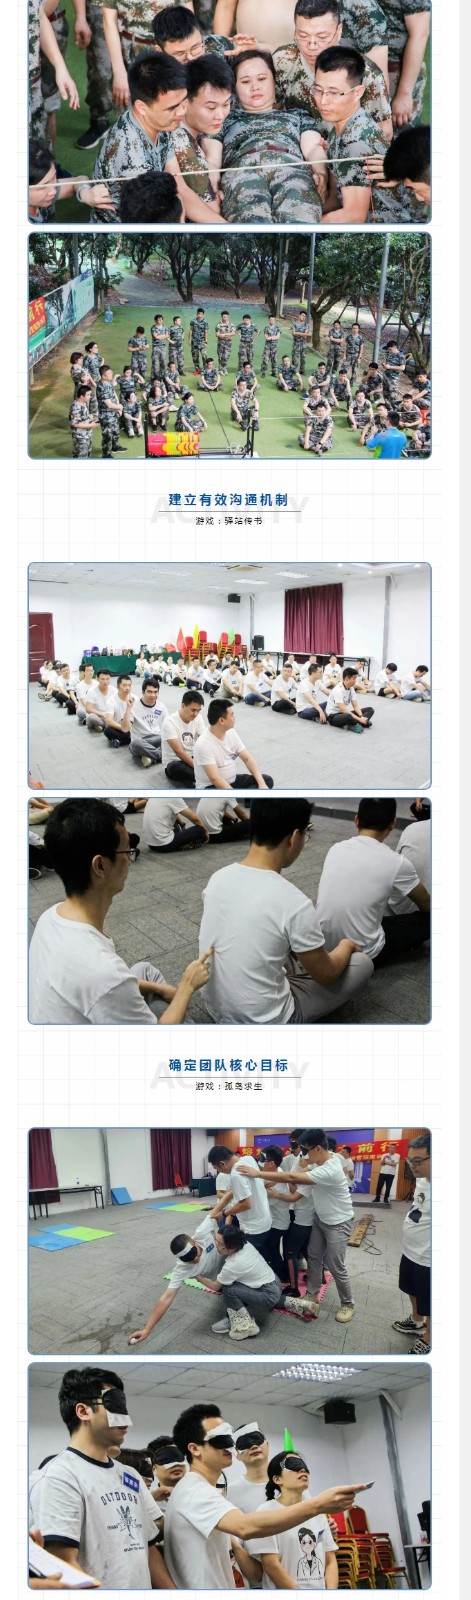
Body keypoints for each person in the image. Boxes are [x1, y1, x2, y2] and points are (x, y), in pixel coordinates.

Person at [29, 798, 212, 1024]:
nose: (130, 861)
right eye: (127, 851)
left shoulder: (50, 917)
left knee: (143, 970)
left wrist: (160, 989)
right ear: (100, 866)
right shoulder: (103, 973)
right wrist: (187, 986)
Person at [199, 798, 373, 1023]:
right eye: (305, 836)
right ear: (294, 837)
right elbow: (326, 974)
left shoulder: (218, 878)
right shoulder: (294, 902)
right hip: (265, 1019)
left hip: (215, 1007)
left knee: (279, 940)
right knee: (362, 963)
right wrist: (346, 946)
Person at [164, 1403, 364, 1589]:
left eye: (229, 1438)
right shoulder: (195, 1491)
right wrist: (318, 1505)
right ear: (195, 1449)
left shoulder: (200, 1490)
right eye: (219, 1439)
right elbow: (246, 1527)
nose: (228, 1446)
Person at [29, 1367, 174, 1589]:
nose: (127, 1421)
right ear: (83, 1411)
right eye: (115, 1406)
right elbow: (63, 1564)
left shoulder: (130, 1476)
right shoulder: (59, 1478)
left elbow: (147, 1546)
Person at [91, 52, 226, 223]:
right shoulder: (131, 157)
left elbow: (180, 187)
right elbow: (155, 220)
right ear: (141, 107)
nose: (181, 112)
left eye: (183, 101)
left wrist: (225, 227)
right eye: (172, 108)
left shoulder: (160, 122)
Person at [208, 49, 325, 223]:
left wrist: (321, 173)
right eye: (245, 81)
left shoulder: (298, 115)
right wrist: (212, 189)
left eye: (262, 79)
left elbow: (313, 148)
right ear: (234, 88)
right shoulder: (223, 118)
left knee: (299, 218)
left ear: (274, 80)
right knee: (252, 223)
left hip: (292, 169)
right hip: (242, 172)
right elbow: (212, 159)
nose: (255, 87)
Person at [315, 45, 426, 224]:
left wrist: (304, 228)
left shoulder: (356, 141)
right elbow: (335, 201)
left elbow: (353, 217)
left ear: (358, 92)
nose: (323, 101)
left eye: (333, 93)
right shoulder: (340, 130)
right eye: (318, 90)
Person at [316, 797, 430, 963]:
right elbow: (426, 902)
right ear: (393, 823)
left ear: (356, 820)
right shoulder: (396, 862)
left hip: (324, 945)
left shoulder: (336, 849)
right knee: (430, 919)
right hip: (365, 952)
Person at [264, 1128, 356, 1323]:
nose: (303, 1155)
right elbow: (297, 1178)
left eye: (306, 1150)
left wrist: (256, 1174)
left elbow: (292, 1179)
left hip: (339, 1223)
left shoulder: (329, 1169)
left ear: (318, 1148)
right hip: (320, 1219)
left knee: (336, 1265)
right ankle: (312, 1294)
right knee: (314, 1258)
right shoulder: (320, 1162)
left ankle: (348, 1304)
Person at [274, 0, 392, 134]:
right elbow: (270, 111)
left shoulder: (366, 75)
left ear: (339, 31)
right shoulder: (282, 61)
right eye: (303, 36)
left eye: (322, 37)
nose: (311, 46)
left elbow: (384, 131)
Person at [245, 1449, 338, 1588]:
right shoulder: (266, 1512)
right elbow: (271, 1565)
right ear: (277, 1479)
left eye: (303, 1465)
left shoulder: (317, 1512)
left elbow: (330, 1561)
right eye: (293, 1464)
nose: (302, 1469)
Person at [128, 1215, 225, 1344]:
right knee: (228, 1290)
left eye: (195, 1254)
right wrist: (147, 1329)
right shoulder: (182, 1269)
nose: (196, 1260)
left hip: (233, 1259)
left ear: (194, 1242)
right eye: (189, 1260)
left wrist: (228, 1208)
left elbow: (216, 1211)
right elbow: (167, 1297)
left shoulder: (201, 1233)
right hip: (222, 1279)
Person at [392, 1132, 431, 1353]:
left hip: (429, 1257)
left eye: (418, 1161)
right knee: (410, 1288)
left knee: (430, 1299)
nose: (413, 1166)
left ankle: (430, 1338)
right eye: (410, 1160)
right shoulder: (422, 1179)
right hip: (411, 1250)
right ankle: (417, 1321)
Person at [211, 1225, 283, 1339]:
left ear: (231, 1246)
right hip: (275, 1283)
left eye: (221, 1244)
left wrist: (196, 1275)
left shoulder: (233, 1264)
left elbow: (215, 1286)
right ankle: (291, 1303)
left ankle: (244, 1326)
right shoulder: (245, 1244)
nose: (217, 1246)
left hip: (268, 1295)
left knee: (228, 1288)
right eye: (216, 1241)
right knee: (239, 1280)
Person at [209, 1147, 275, 1267]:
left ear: (222, 1164)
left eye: (217, 1168)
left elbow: (246, 1204)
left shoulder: (235, 1175)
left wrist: (224, 1213)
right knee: (261, 1256)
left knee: (246, 1262)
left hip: (253, 1228)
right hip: (264, 1221)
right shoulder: (248, 1159)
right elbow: (232, 1194)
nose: (219, 1171)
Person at [193, 700, 274, 789]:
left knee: (266, 780)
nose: (234, 717)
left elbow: (247, 758)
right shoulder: (203, 744)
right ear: (221, 720)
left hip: (232, 781)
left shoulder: (231, 732)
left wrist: (262, 784)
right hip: (212, 786)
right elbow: (215, 779)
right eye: (232, 715)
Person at [160, 689, 207, 784]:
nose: (196, 714)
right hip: (175, 761)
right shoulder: (169, 722)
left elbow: (204, 741)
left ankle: (200, 779)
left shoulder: (198, 718)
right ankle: (204, 778)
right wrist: (199, 768)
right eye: (193, 710)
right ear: (182, 706)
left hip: (193, 756)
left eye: (198, 711)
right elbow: (179, 752)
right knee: (176, 768)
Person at [143, 796, 209, 850]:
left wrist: (182, 824)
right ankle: (184, 844)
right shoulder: (174, 797)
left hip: (151, 844)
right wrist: (205, 831)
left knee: (176, 825)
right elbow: (195, 819)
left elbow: (172, 812)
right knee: (199, 830)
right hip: (164, 845)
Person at [129, 677, 168, 766]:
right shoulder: (134, 706)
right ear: (143, 692)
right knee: (135, 743)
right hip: (141, 740)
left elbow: (168, 725)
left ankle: (150, 757)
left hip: (157, 738)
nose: (153, 695)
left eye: (155, 692)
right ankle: (163, 755)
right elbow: (126, 728)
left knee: (171, 738)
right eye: (149, 692)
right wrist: (128, 709)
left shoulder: (161, 706)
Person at [230, 1424, 269, 1511]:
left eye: (257, 1438)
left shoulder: (291, 1480)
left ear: (267, 1444)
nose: (254, 1446)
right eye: (244, 1443)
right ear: (237, 1455)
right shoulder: (231, 1493)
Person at [326, 666, 374, 730]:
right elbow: (343, 710)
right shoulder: (338, 690)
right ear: (347, 679)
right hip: (333, 716)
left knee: (370, 710)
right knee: (348, 716)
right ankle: (358, 723)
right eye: (354, 678)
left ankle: (356, 723)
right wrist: (359, 719)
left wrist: (361, 716)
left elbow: (355, 705)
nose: (355, 681)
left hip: (343, 713)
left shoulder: (351, 688)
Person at [96, 364, 125, 457]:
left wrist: (118, 406)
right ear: (103, 376)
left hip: (113, 412)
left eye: (111, 373)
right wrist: (119, 407)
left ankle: (115, 446)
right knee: (107, 435)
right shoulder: (101, 386)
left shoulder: (108, 383)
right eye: (109, 373)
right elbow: (108, 404)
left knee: (116, 431)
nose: (111, 374)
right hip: (106, 415)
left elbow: (114, 394)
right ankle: (106, 454)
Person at [101, 672, 135, 746]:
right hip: (118, 728)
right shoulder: (111, 701)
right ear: (117, 687)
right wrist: (125, 728)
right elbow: (109, 721)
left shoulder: (135, 698)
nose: (127, 688)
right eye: (124, 685)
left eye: (129, 685)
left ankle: (119, 740)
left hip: (132, 728)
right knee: (107, 730)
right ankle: (128, 740)